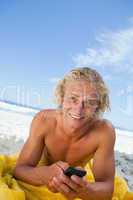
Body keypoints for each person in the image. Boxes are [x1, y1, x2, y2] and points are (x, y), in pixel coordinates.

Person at [13, 67, 116, 200]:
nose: (79, 110)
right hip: (38, 175)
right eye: (73, 98)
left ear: (99, 106)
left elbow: (107, 189)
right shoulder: (44, 120)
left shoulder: (104, 132)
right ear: (61, 98)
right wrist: (45, 174)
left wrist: (83, 190)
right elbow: (19, 170)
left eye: (90, 102)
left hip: (76, 185)